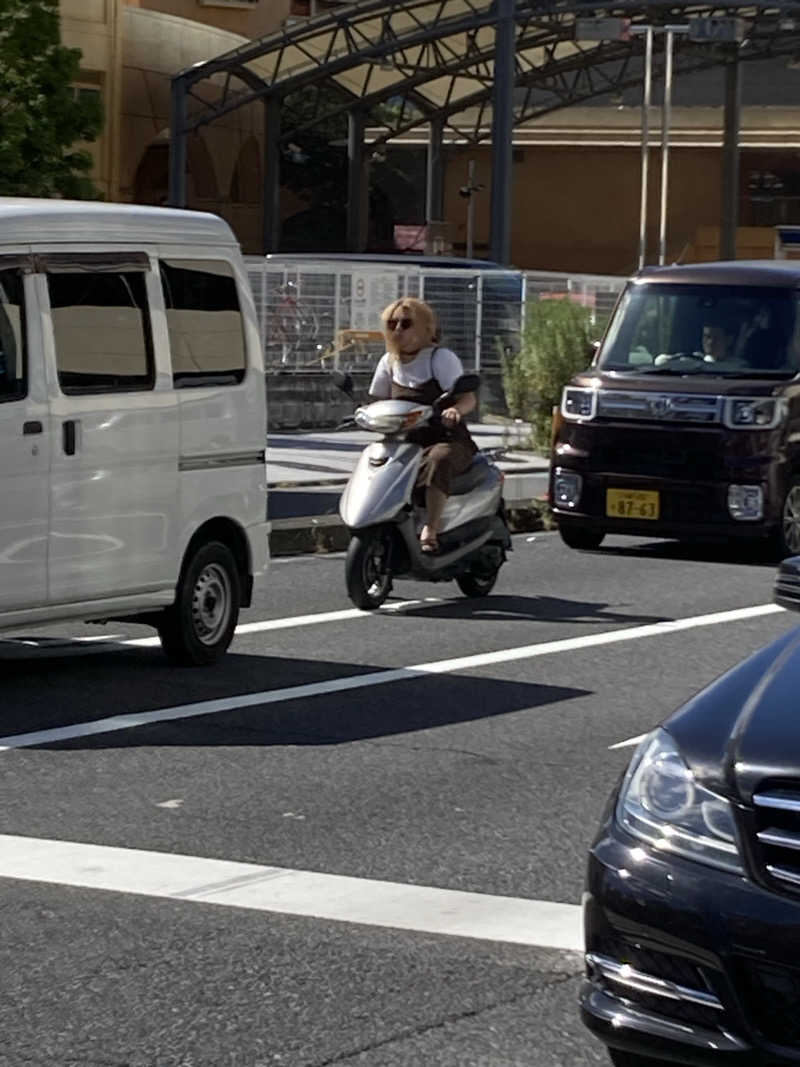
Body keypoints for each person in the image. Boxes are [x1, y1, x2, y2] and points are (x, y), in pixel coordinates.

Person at [368, 297, 477, 553]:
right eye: (392, 324)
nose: (397, 330)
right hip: (403, 442)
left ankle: (431, 527)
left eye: (406, 324)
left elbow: (468, 397)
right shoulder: (388, 362)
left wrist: (455, 410)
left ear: (425, 328)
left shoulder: (440, 358)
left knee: (439, 458)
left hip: (446, 439)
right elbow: (378, 400)